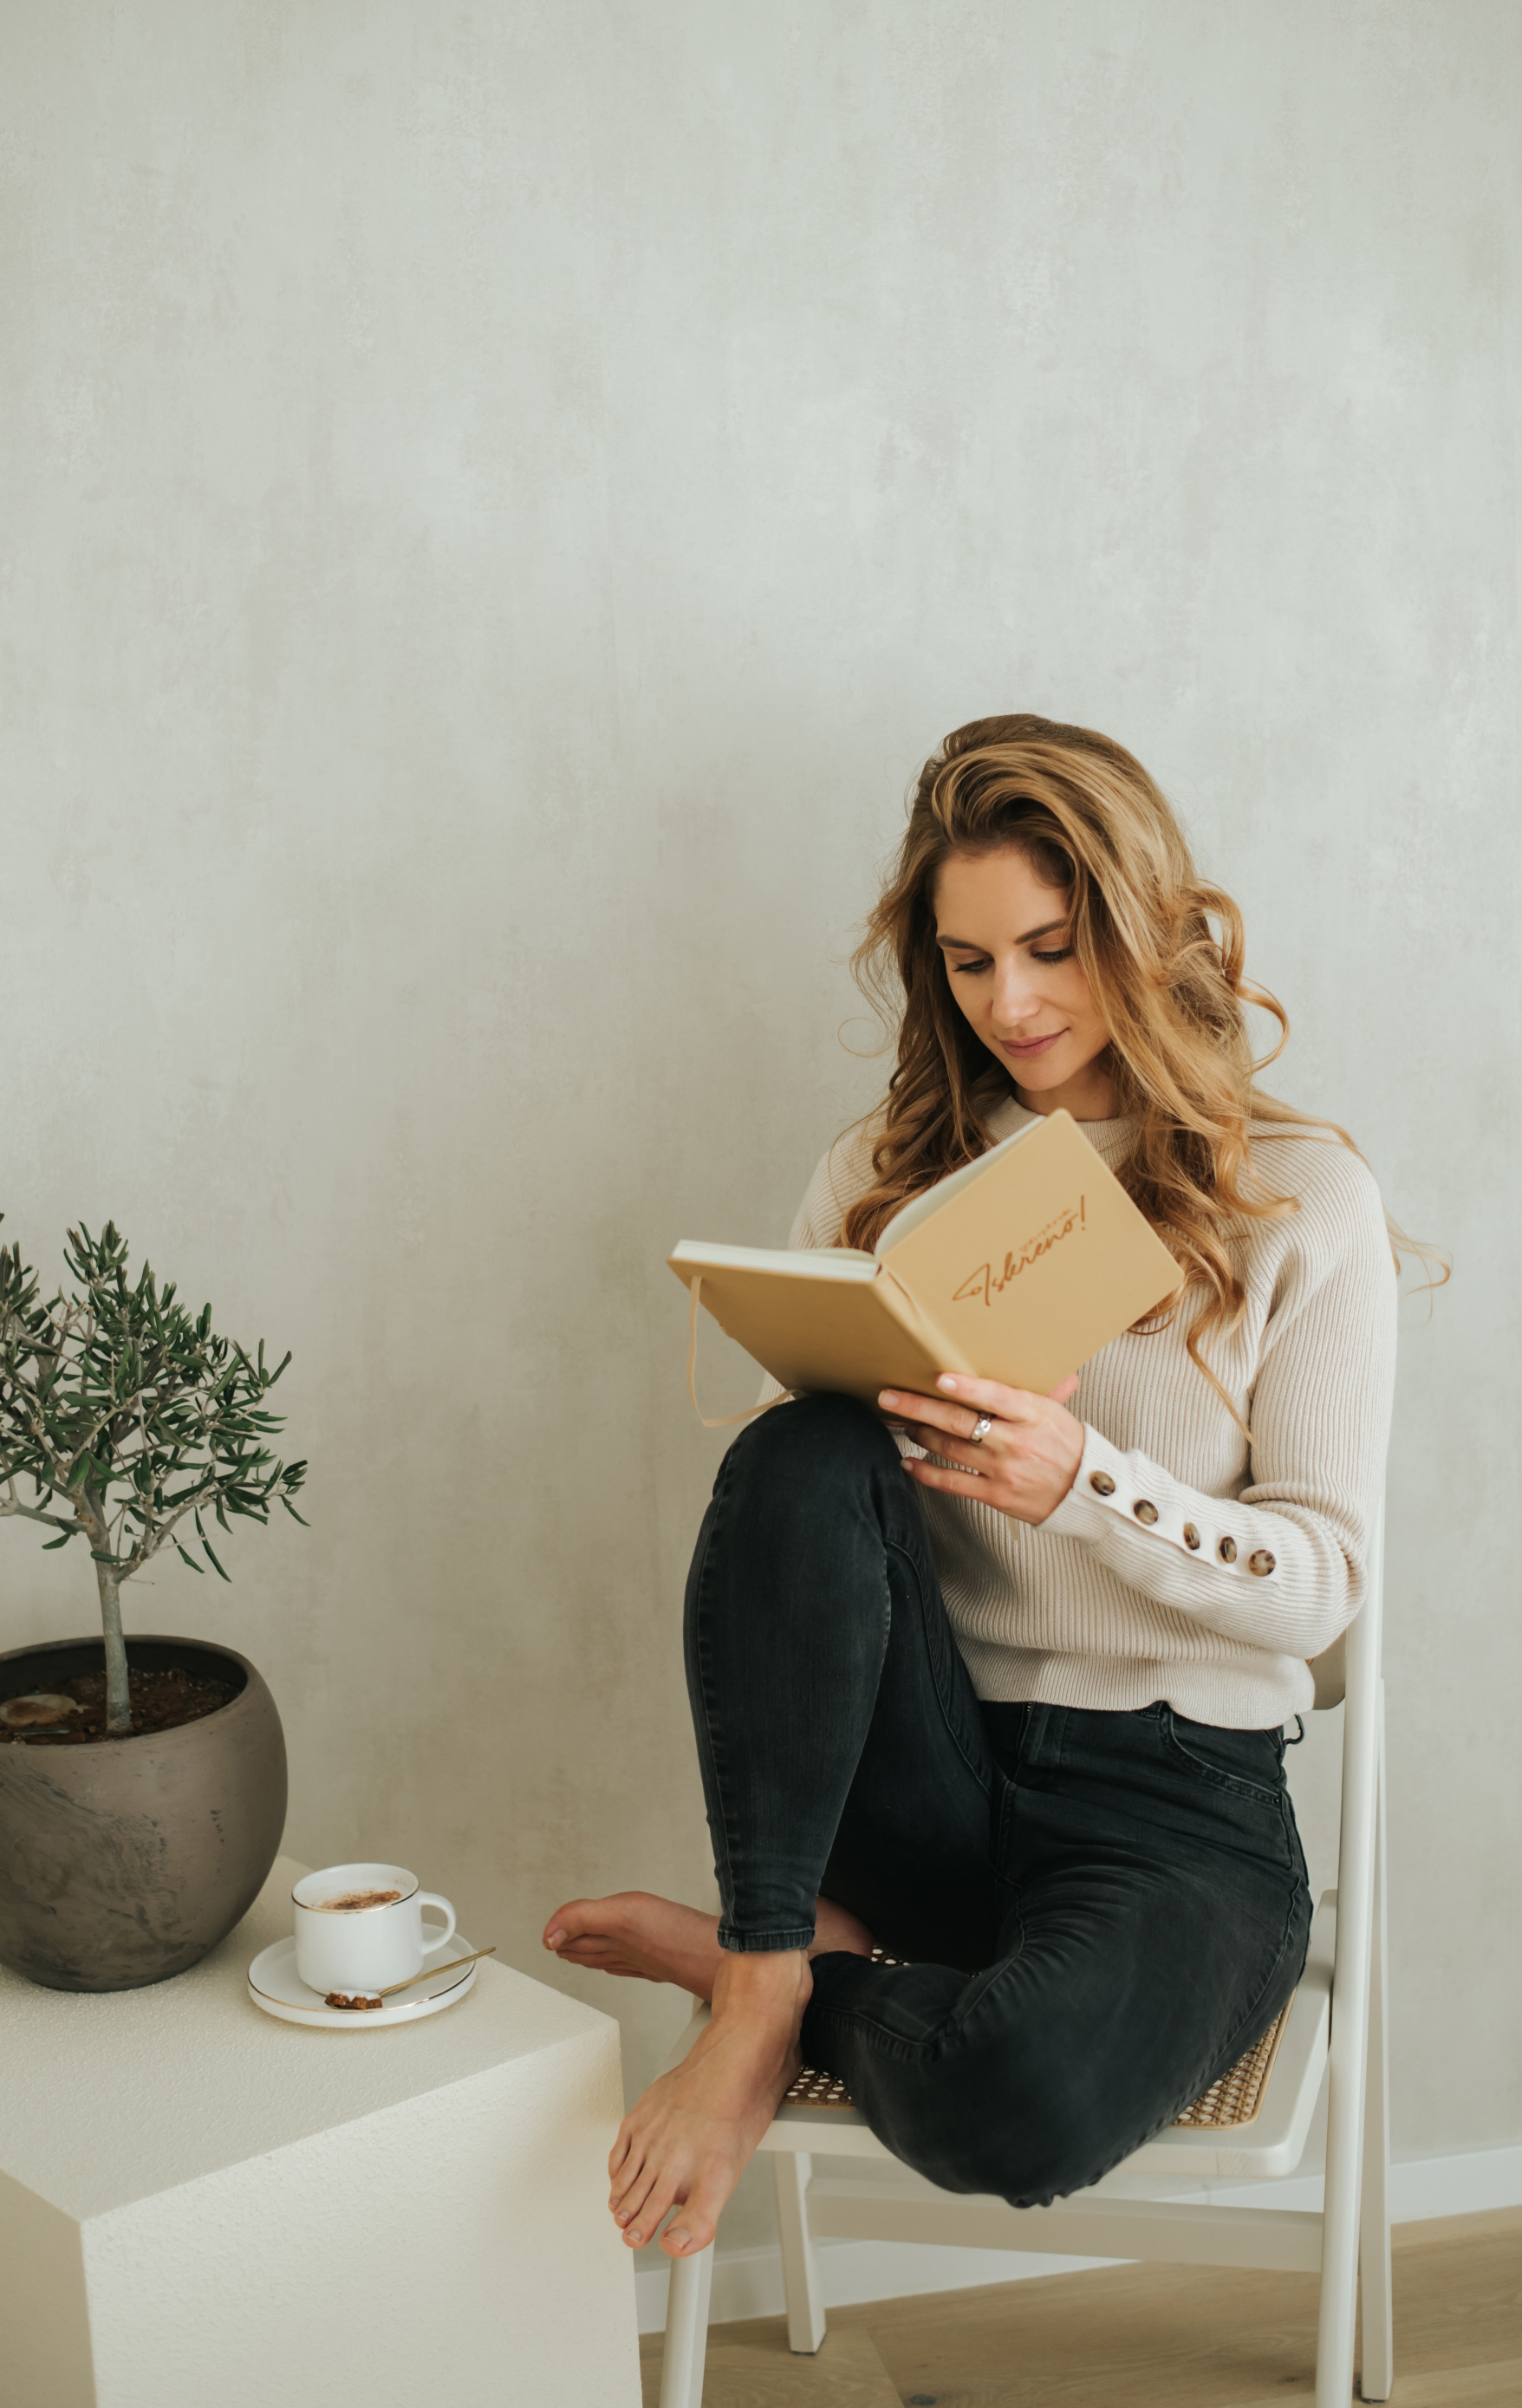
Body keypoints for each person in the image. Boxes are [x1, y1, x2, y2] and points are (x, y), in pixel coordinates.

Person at [545, 713, 1411, 2265]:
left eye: (1052, 947)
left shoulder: (1301, 1201)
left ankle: (805, 1974)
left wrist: (1088, 1483)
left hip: (1177, 1811)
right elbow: (795, 1536)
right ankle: (761, 1990)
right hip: (923, 1769)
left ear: (1142, 927)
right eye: (964, 961)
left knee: (1009, 2093)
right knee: (795, 1451)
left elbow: (1328, 1579)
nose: (1007, 1003)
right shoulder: (883, 1170)